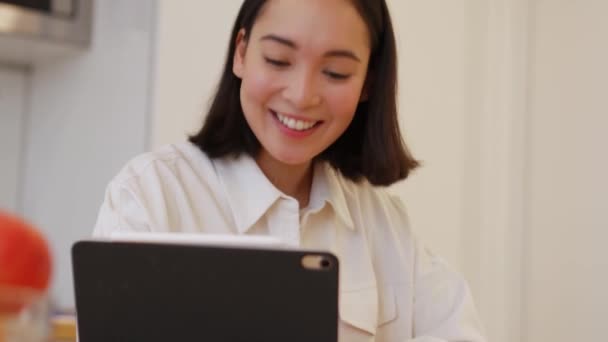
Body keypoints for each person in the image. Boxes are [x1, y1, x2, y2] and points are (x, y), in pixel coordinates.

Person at [93, 0, 486, 341]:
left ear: (368, 82)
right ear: (241, 53)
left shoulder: (384, 224)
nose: (301, 95)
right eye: (278, 60)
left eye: (335, 73)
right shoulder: (150, 196)